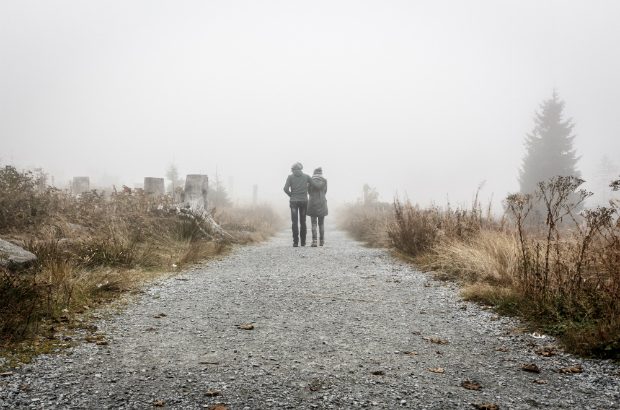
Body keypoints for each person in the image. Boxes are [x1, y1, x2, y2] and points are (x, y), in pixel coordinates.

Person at [283, 162, 311, 247]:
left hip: (294, 202)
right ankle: (303, 242)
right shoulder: (306, 176)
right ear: (301, 168)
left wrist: (292, 195)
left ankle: (295, 242)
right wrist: (307, 190)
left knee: (294, 222)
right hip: (304, 201)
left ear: (292, 169)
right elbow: (313, 185)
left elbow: (285, 189)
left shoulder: (290, 177)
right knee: (303, 222)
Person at [307, 167, 328, 247]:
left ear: (314, 173)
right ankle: (322, 241)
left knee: (313, 223)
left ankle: (314, 241)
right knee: (321, 223)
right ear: (321, 173)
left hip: (312, 203)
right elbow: (325, 191)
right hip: (322, 203)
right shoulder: (324, 180)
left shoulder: (310, 181)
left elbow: (308, 191)